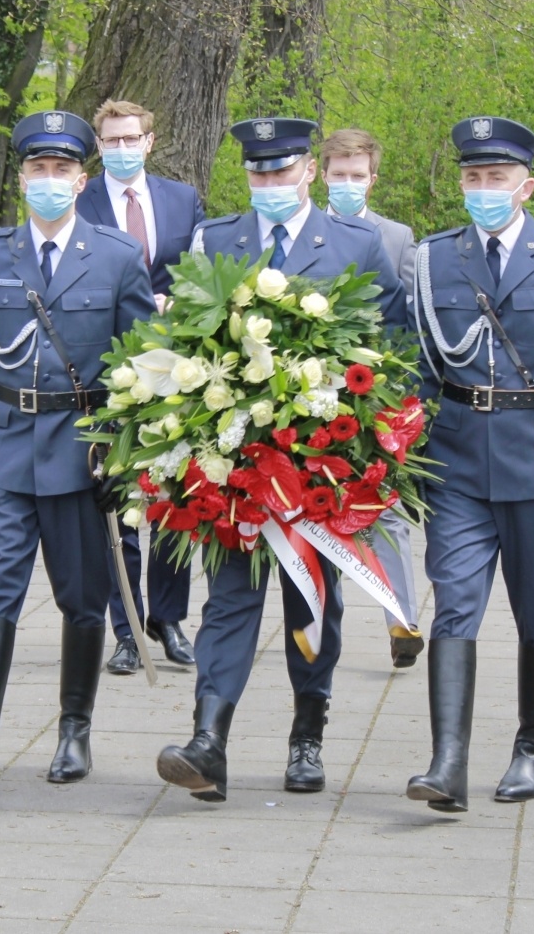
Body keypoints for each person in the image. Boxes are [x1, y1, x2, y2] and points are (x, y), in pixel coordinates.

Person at [156, 117, 411, 801]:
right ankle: (208, 739)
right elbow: (186, 336)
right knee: (230, 600)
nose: (269, 184)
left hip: (318, 464)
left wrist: (374, 432)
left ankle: (307, 733)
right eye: (257, 174)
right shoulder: (216, 239)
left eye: (282, 171)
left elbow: (394, 340)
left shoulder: (357, 241)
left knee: (312, 604)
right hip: (237, 463)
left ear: (307, 170)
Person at [0, 109, 156, 786]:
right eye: (38, 169)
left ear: (81, 179)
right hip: (3, 449)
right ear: (23, 178)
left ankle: (74, 731)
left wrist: (129, 458)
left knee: (82, 597)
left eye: (62, 169)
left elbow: (142, 369)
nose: (49, 179)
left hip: (81, 453)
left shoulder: (116, 258)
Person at [405, 116, 534, 813]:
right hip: (458, 456)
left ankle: (532, 749)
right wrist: (400, 450)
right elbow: (416, 368)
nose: (483, 189)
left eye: (497, 179)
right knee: (454, 605)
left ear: (526, 186)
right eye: (473, 178)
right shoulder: (435, 258)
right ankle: (447, 762)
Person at [76, 99, 206, 675]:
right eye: (111, 140)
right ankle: (127, 629)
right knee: (121, 500)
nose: (122, 149)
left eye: (131, 139)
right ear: (98, 147)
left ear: (150, 142)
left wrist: (181, 300)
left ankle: (169, 618)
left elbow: (201, 271)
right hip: (111, 368)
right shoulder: (80, 199)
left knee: (176, 494)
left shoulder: (183, 199)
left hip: (175, 368)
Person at [320, 127, 425, 670]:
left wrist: (398, 389)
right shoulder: (301, 232)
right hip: (312, 394)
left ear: (373, 179)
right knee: (314, 509)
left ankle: (401, 619)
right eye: (338, 175)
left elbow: (406, 319)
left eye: (357, 176)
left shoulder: (397, 237)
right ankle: (316, 626)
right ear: (321, 175)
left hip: (374, 394)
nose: (347, 183)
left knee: (385, 509)